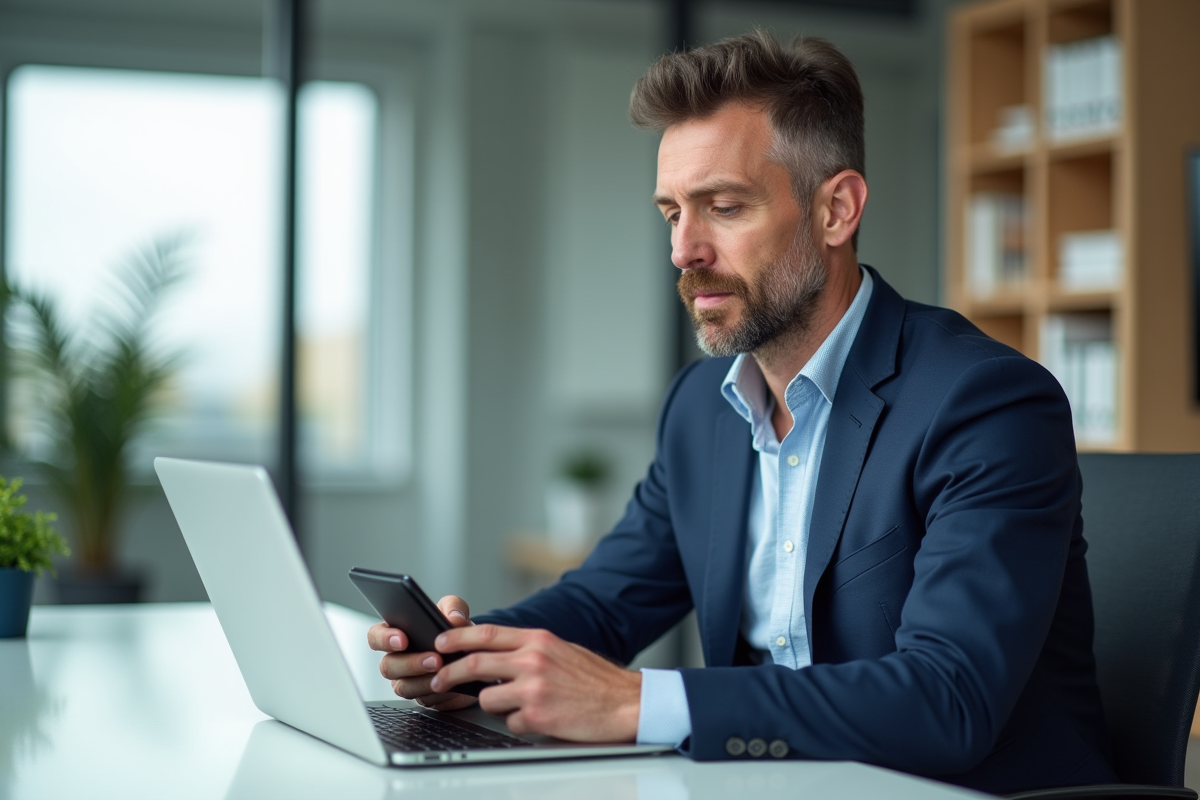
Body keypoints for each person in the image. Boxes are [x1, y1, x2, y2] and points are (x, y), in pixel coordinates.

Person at [367, 30, 1117, 794]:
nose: (683, 251)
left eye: (723, 207)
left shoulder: (984, 401)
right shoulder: (702, 408)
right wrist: (467, 654)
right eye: (671, 214)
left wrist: (634, 701)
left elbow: (947, 699)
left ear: (836, 210)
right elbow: (603, 602)